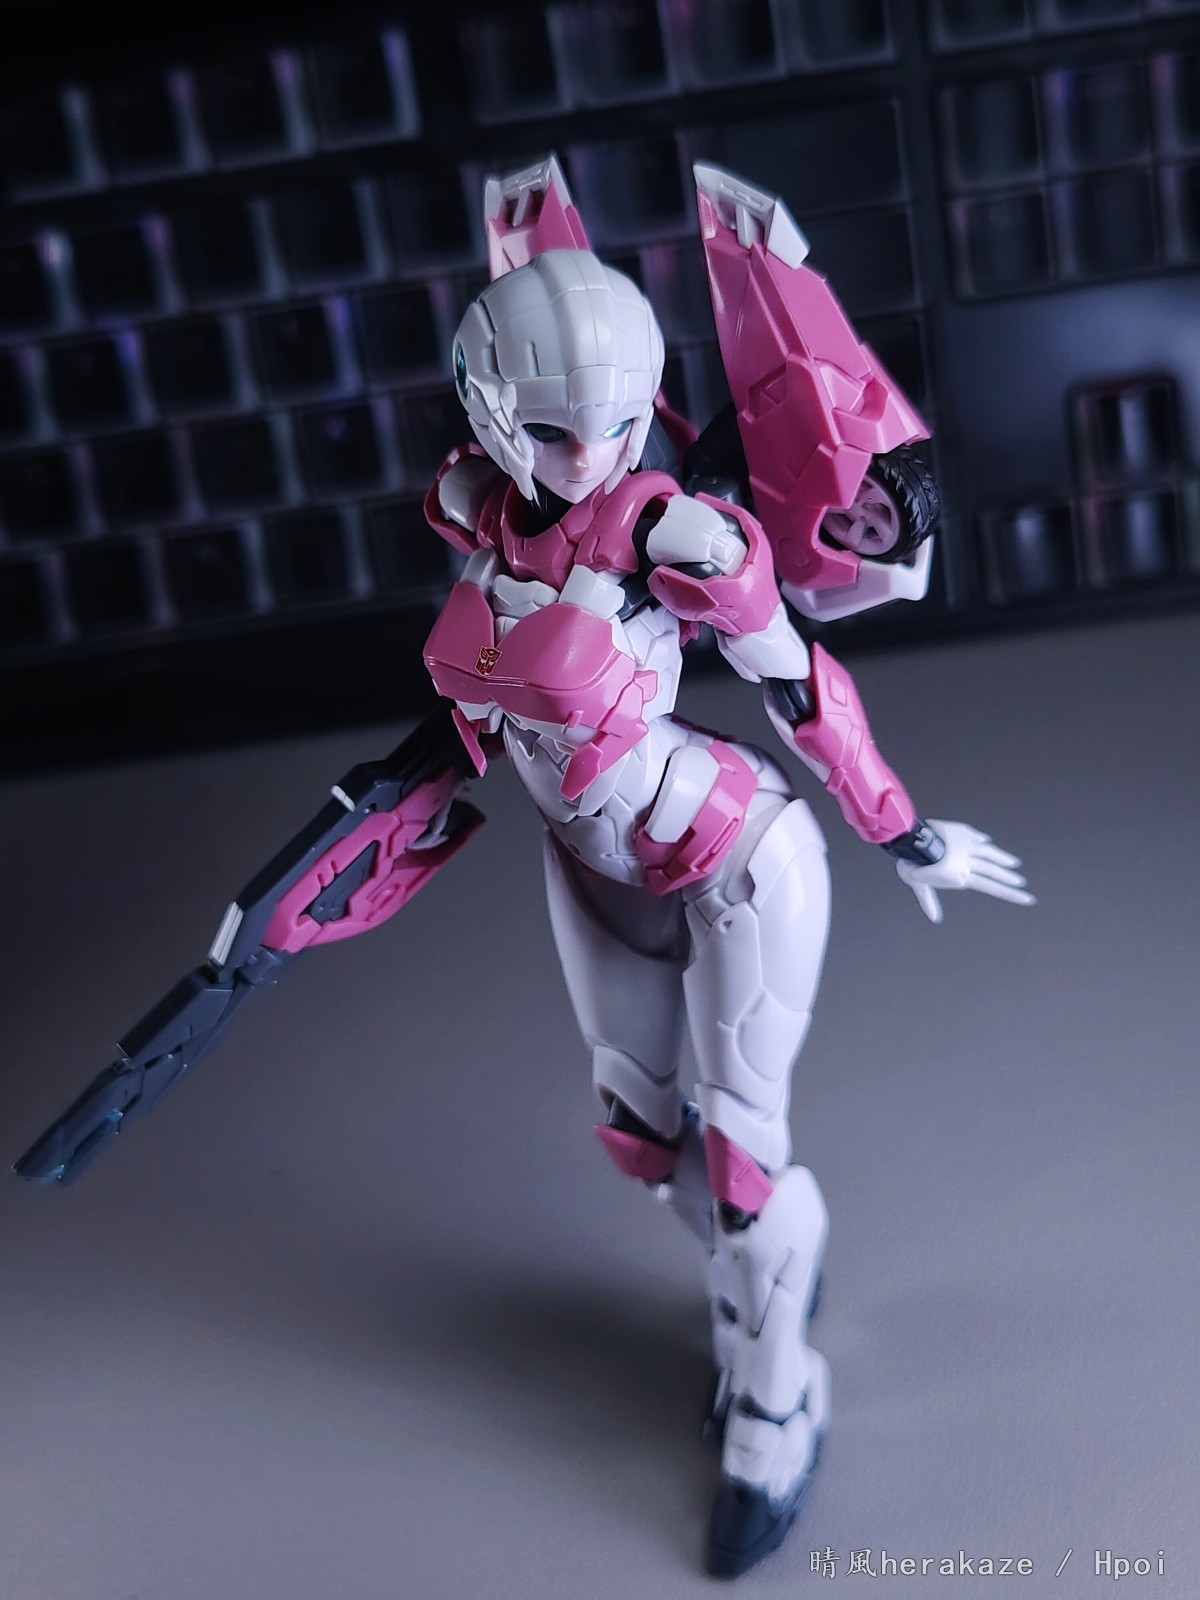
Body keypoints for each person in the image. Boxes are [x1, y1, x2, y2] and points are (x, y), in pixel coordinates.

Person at [421, 156, 1033, 1577]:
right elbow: (486, 705)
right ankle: (770, 1262)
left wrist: (899, 825)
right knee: (643, 1145)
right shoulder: (470, 508)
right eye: (556, 430)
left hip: (733, 856)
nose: (593, 452)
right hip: (593, 867)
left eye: (618, 421)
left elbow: (799, 679)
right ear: (495, 416)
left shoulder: (676, 533)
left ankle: (776, 1390)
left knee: (744, 1166)